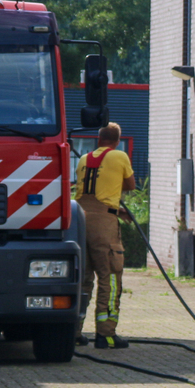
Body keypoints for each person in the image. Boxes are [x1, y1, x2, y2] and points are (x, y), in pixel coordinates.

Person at [74, 122, 135, 349]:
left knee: (82, 279)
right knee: (109, 274)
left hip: (79, 220)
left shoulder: (83, 159)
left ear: (98, 139)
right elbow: (130, 185)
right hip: (103, 225)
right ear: (117, 140)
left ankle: (74, 332)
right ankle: (106, 334)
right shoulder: (119, 157)